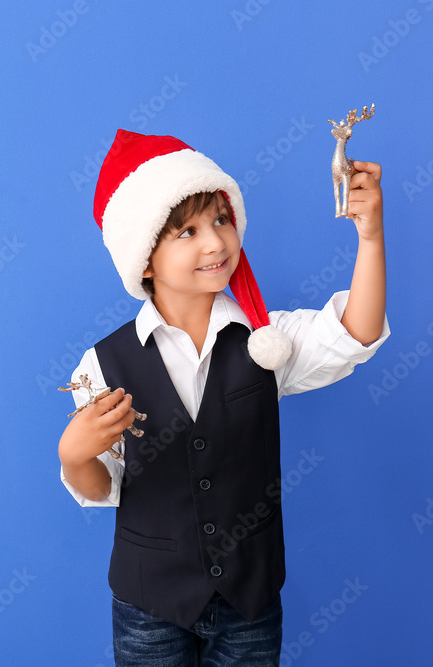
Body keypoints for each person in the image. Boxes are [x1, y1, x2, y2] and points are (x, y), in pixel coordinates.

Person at [58, 129, 389, 665]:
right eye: (186, 231)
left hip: (249, 601)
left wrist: (370, 238)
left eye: (219, 220)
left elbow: (356, 331)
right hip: (150, 606)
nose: (215, 241)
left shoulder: (266, 342)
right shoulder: (103, 365)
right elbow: (105, 488)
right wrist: (74, 456)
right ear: (144, 260)